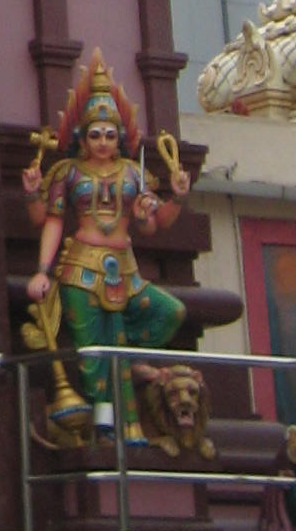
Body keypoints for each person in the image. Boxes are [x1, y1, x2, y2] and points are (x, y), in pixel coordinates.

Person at [22, 54, 190, 442]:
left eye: (110, 135)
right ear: (83, 136)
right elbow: (46, 220)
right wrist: (42, 269)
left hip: (126, 270)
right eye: (95, 134)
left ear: (120, 137)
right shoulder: (69, 173)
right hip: (80, 270)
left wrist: (175, 199)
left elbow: (152, 225)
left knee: (171, 313)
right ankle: (108, 423)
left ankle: (126, 368)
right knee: (92, 353)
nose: (102, 142)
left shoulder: (133, 173)